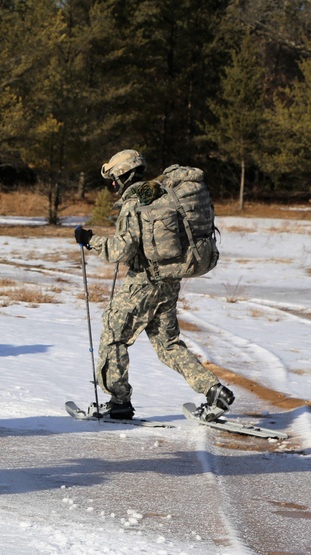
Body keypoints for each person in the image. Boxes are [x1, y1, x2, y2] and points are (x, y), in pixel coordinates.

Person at [73, 149, 234, 420]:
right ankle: (214, 391)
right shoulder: (159, 192)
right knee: (168, 344)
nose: (113, 186)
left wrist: (90, 240)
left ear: (122, 176)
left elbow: (121, 251)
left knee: (113, 335)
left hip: (143, 282)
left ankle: (119, 402)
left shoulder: (134, 201)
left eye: (113, 180)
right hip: (169, 280)